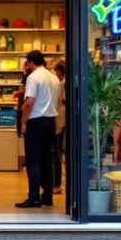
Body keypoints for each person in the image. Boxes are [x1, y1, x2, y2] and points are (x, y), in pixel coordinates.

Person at [15, 50, 61, 208]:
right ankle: (47, 196)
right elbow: (58, 100)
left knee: (32, 161)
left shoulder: (33, 77)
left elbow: (29, 102)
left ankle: (34, 197)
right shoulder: (53, 78)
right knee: (46, 160)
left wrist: (23, 121)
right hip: (50, 122)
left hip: (36, 122)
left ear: (30, 62)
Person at [52, 60, 67, 194]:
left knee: (56, 153)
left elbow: (60, 101)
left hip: (59, 121)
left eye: (56, 71)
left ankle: (56, 184)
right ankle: (57, 183)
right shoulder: (64, 84)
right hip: (63, 121)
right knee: (59, 152)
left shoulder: (61, 85)